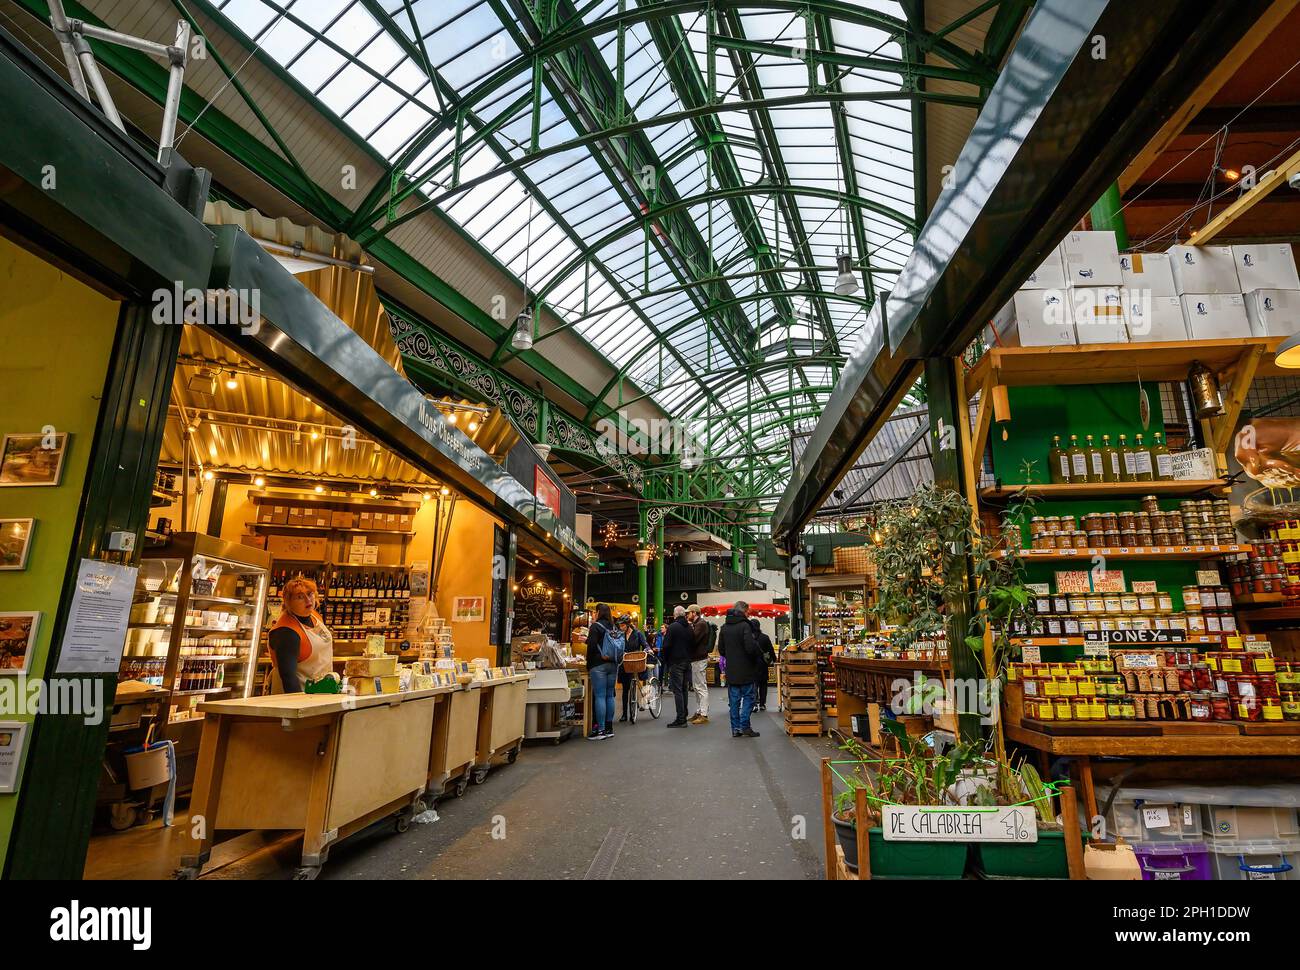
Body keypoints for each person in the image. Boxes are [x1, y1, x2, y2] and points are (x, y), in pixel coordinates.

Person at [268, 577, 335, 693]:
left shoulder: (313, 615)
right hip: (299, 695)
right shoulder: (286, 631)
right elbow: (288, 678)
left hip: (319, 691)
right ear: (288, 602)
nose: (308, 600)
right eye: (299, 597)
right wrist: (300, 705)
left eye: (310, 594)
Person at [717, 600, 762, 738]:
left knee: (734, 701)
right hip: (746, 669)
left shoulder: (724, 627)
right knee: (749, 697)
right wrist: (755, 655)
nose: (749, 615)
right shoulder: (745, 626)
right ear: (744, 611)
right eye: (748, 612)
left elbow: (721, 649)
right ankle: (745, 725)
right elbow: (750, 647)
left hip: (732, 670)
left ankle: (735, 728)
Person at [585, 603, 620, 740]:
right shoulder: (613, 627)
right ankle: (609, 728)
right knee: (609, 695)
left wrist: (588, 664)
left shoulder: (595, 626)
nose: (593, 614)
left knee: (599, 696)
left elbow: (592, 647)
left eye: (595, 611)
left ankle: (600, 730)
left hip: (598, 665)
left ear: (598, 612)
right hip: (612, 663)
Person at [660, 606, 695, 728]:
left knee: (677, 690)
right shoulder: (689, 627)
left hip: (676, 662)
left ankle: (680, 719)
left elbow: (667, 645)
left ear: (675, 615)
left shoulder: (673, 627)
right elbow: (693, 644)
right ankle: (684, 714)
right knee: (684, 689)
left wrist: (665, 660)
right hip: (687, 662)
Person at [616, 614, 650, 723]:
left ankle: (635, 707)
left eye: (622, 625)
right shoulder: (620, 634)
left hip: (635, 662)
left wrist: (648, 649)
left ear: (628, 624)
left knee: (634, 684)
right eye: (620, 625)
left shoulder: (638, 633)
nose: (620, 627)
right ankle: (624, 714)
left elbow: (645, 644)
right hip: (624, 663)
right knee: (625, 689)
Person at [686, 605, 711, 724]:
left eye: (688, 613)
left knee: (700, 687)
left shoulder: (700, 624)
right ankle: (699, 712)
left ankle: (704, 714)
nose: (687, 615)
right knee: (697, 687)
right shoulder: (698, 624)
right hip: (697, 658)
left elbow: (693, 639)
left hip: (699, 659)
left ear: (694, 613)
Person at [750, 617, 776, 711]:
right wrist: (774, 659)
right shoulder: (765, 637)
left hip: (752, 664)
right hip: (763, 665)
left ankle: (754, 703)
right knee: (763, 685)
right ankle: (762, 704)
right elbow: (771, 650)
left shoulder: (749, 638)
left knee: (754, 684)